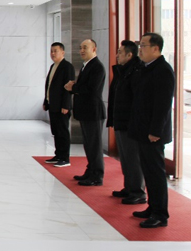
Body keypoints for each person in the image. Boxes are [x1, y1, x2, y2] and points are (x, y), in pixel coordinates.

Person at [130, 32, 176, 228]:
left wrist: (156, 131)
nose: (140, 49)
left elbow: (163, 105)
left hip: (153, 133)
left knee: (156, 173)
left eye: (143, 46)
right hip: (143, 129)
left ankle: (160, 214)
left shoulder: (163, 70)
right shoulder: (146, 68)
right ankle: (152, 206)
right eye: (140, 45)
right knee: (148, 171)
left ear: (156, 48)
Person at [106, 40, 146, 205]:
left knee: (133, 158)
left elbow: (137, 100)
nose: (117, 55)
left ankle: (138, 191)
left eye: (120, 53)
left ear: (129, 55)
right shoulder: (123, 71)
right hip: (121, 120)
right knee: (125, 157)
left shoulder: (136, 71)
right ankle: (129, 187)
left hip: (130, 123)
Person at [64, 39, 107, 186]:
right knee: (88, 145)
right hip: (86, 111)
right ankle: (90, 170)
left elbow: (92, 90)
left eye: (85, 48)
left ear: (94, 49)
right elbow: (84, 86)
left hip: (93, 112)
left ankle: (97, 175)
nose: (82, 50)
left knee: (94, 145)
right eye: (80, 48)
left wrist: (74, 88)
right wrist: (74, 86)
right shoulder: (86, 65)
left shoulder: (97, 67)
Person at [42, 42, 75, 167]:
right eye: (51, 51)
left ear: (63, 52)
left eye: (55, 51)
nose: (53, 53)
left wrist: (66, 105)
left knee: (63, 132)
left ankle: (65, 158)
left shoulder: (67, 67)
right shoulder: (53, 66)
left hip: (62, 107)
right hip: (53, 105)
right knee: (56, 131)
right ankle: (58, 155)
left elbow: (68, 88)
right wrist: (46, 101)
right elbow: (49, 86)